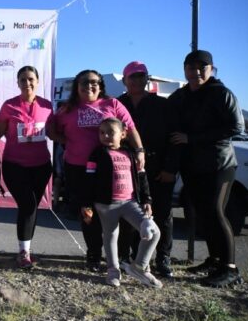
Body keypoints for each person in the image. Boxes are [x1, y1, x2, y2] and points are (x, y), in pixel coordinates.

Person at [48, 69, 145, 272]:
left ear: (100, 86)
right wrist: (69, 142)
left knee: (121, 212)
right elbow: (52, 131)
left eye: (94, 82)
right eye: (84, 82)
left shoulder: (113, 105)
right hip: (78, 169)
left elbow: (131, 128)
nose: (89, 86)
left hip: (113, 170)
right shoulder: (67, 108)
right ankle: (93, 255)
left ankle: (122, 257)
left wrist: (139, 151)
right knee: (88, 213)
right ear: (77, 86)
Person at [167, 50, 244, 288]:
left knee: (216, 212)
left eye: (202, 67)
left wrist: (192, 138)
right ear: (185, 69)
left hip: (218, 165)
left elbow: (236, 127)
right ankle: (214, 260)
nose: (196, 72)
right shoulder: (181, 95)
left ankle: (230, 269)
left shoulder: (221, 94)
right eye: (191, 67)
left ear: (211, 69)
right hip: (192, 166)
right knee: (202, 214)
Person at [82, 118, 162, 288]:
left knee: (154, 232)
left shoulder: (131, 154)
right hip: (105, 205)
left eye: (111, 132)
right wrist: (87, 203)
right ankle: (113, 271)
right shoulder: (96, 154)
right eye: (102, 132)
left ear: (123, 134)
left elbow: (142, 178)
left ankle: (139, 266)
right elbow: (88, 180)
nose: (105, 136)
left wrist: (147, 199)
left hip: (130, 202)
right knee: (111, 235)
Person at [116, 61, 175, 277]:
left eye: (142, 76)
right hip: (128, 170)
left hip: (159, 167)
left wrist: (170, 167)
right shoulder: (117, 104)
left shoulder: (162, 104)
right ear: (125, 80)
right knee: (132, 215)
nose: (138, 80)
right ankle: (132, 257)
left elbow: (173, 139)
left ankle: (163, 258)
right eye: (133, 76)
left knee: (163, 213)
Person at [0, 66, 54, 269]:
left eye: (30, 79)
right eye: (23, 80)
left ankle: (26, 248)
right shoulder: (9, 106)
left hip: (41, 166)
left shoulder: (47, 106)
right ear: (17, 83)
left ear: (37, 81)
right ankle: (23, 252)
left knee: (31, 207)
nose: (27, 83)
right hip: (14, 165)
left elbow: (53, 133)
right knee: (28, 205)